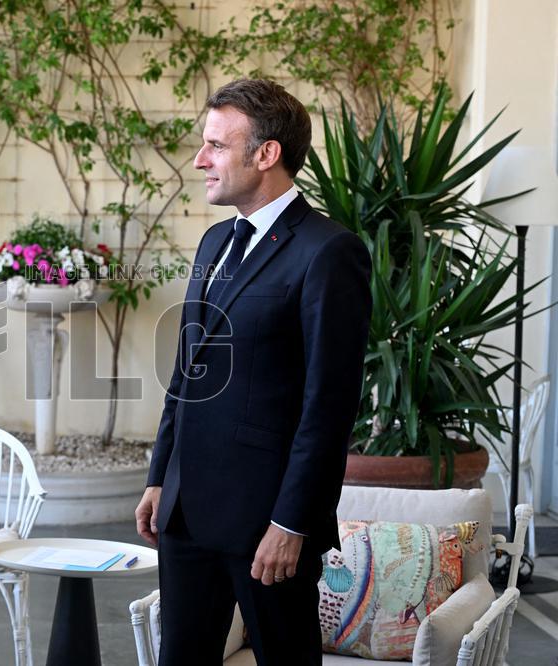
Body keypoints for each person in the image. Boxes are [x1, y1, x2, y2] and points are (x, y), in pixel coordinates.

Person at [135, 79, 372, 665]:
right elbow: (187, 373)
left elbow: (329, 405)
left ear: (265, 154)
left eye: (215, 145)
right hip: (187, 513)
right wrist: (161, 476)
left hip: (267, 525)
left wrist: (291, 522)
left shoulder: (328, 252)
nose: (200, 160)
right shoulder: (215, 241)